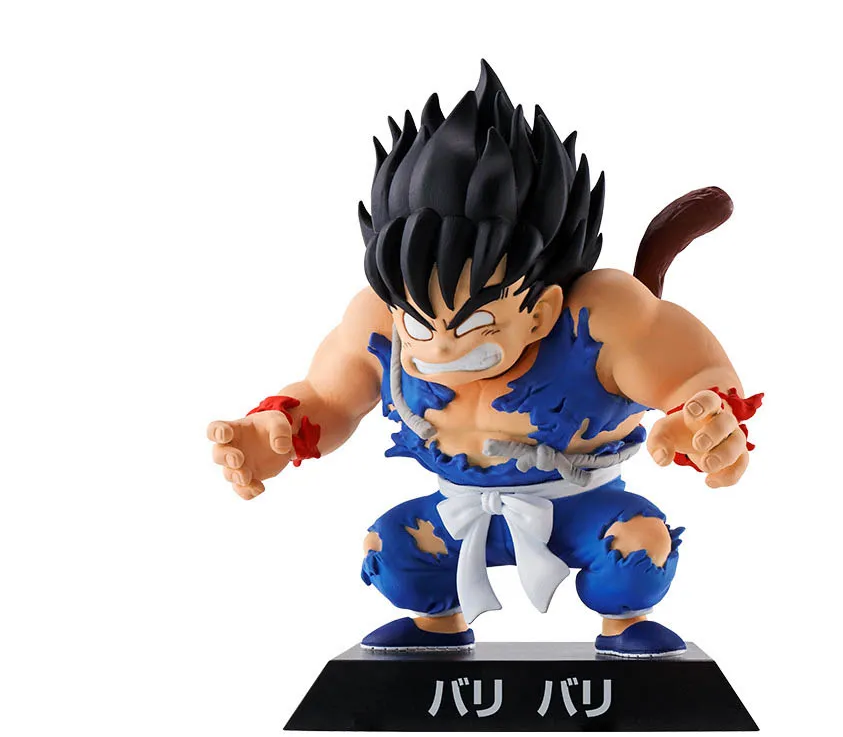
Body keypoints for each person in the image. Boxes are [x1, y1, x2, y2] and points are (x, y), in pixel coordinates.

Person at [207, 62, 761, 658]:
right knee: (389, 553)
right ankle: (436, 628)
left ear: (542, 311)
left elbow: (695, 377)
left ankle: (624, 626)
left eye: (473, 322)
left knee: (640, 553)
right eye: (419, 321)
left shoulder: (603, 317)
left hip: (586, 509)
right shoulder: (379, 317)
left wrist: (705, 422)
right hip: (454, 509)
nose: (439, 346)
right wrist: (280, 428)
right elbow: (328, 397)